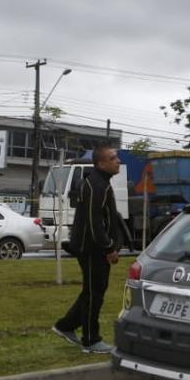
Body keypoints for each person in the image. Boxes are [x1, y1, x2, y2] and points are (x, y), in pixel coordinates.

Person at [52, 145, 124, 354]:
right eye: (113, 158)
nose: (118, 161)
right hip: (92, 249)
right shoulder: (95, 185)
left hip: (94, 248)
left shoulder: (101, 182)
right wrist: (109, 248)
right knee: (94, 294)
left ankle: (65, 326)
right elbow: (95, 223)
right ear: (101, 164)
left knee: (93, 291)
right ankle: (90, 340)